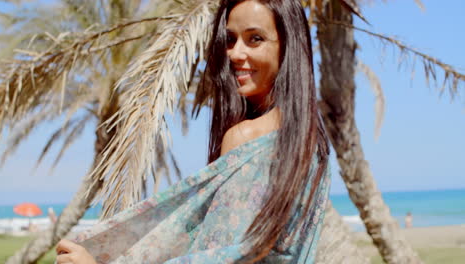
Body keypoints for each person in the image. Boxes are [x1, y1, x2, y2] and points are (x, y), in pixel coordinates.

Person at [56, 0, 331, 263]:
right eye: (231, 39)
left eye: (255, 39)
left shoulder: (247, 138)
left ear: (288, 47)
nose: (235, 53)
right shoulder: (312, 145)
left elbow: (219, 253)